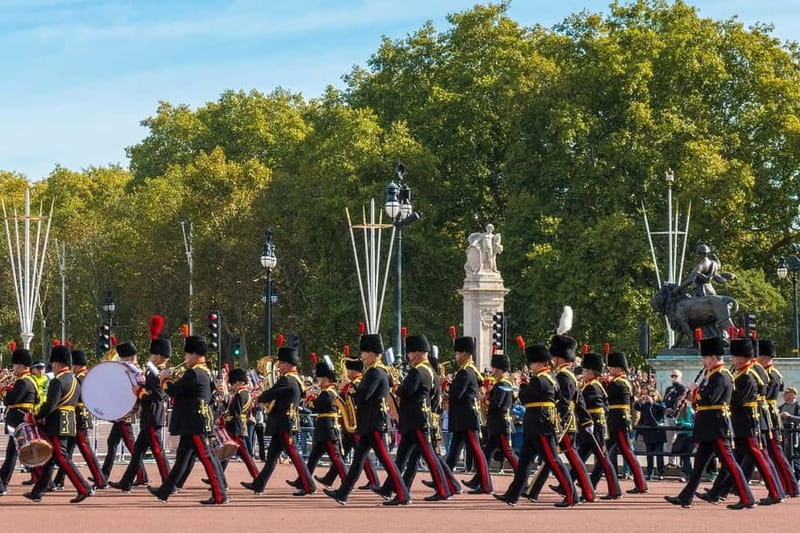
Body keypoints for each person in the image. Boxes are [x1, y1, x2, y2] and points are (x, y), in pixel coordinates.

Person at [665, 337, 755, 510]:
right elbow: (704, 399)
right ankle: (686, 497)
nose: (703, 361)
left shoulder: (721, 375)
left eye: (705, 357)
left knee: (730, 463)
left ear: (713, 357)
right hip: (708, 425)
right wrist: (694, 396)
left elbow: (709, 397)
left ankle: (747, 497)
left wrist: (694, 391)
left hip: (716, 425)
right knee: (698, 466)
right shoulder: (713, 375)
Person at [323, 333, 410, 506]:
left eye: (363, 353)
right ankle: (343, 493)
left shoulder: (376, 372)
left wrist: (348, 386)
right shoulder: (374, 371)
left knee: (385, 459)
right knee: (357, 461)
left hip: (374, 422)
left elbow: (363, 395)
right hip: (368, 422)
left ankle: (402, 494)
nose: (361, 356)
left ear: (371, 353)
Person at [698, 337, 785, 506]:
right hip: (744, 421)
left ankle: (775, 492)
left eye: (735, 356)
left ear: (742, 357)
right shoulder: (747, 373)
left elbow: (736, 401)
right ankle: (718, 492)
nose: (732, 359)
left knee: (759, 459)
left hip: (747, 422)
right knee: (734, 460)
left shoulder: (747, 376)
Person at [493, 343, 576, 507]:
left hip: (541, 425)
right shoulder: (550, 378)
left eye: (532, 363)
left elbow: (524, 397)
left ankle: (571, 494)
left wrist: (522, 386)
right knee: (524, 462)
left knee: (552, 460)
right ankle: (512, 495)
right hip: (535, 425)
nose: (530, 367)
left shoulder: (541, 380)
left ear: (539, 363)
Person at [149, 335, 227, 505]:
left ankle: (220, 494)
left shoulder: (195, 373)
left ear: (193, 354)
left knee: (206, 458)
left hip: (194, 422)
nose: (185, 358)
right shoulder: (203, 372)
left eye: (186, 355)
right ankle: (165, 491)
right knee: (181, 460)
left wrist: (164, 378)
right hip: (191, 421)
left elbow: (175, 391)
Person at [377, 335, 453, 502]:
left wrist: (396, 385)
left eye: (410, 353)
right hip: (417, 419)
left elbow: (405, 392)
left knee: (430, 459)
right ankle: (394, 490)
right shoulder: (430, 370)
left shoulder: (418, 371)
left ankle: (443, 490)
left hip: (416, 421)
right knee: (403, 459)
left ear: (418, 353)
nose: (409, 357)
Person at [526, 334, 594, 503]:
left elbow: (562, 402)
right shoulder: (569, 375)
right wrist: (586, 420)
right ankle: (532, 491)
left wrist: (558, 422)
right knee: (553, 456)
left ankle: (585, 492)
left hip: (562, 422)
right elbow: (579, 401)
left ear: (557, 357)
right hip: (567, 420)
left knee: (555, 457)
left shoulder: (563, 376)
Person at [241, 345, 315, 497]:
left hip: (284, 423)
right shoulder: (292, 379)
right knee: (271, 458)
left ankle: (309, 486)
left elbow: (271, 394)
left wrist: (259, 396)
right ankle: (258, 484)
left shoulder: (287, 380)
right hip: (282, 423)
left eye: (280, 363)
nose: (278, 366)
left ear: (288, 364)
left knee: (294, 456)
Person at [24, 346, 93, 503]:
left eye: (53, 364)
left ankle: (84, 488)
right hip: (70, 421)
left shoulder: (57, 381)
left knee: (62, 458)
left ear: (57, 363)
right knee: (51, 458)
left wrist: (34, 416)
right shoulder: (74, 380)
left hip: (58, 423)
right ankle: (37, 492)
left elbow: (50, 405)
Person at [110, 323, 172, 492]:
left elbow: (157, 394)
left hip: (153, 415)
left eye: (153, 354)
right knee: (137, 451)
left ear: (158, 356)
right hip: (148, 415)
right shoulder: (154, 371)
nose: (151, 356)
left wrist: (140, 392)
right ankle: (126, 481)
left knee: (158, 451)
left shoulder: (159, 372)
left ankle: (169, 483)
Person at [289, 356, 347, 488]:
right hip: (323, 429)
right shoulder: (326, 391)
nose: (317, 380)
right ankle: (303, 482)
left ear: (325, 378)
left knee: (336, 458)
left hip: (328, 428)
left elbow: (315, 406)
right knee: (313, 458)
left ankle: (347, 481)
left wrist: (310, 396)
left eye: (319, 378)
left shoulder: (329, 392)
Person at [54, 349, 107, 490]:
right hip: (77, 415)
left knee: (85, 449)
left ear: (76, 364)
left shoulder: (80, 378)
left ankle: (100, 479)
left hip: (78, 415)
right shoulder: (86, 376)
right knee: (67, 451)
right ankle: (59, 479)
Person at [446, 336, 492, 494]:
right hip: (462, 418)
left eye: (458, 353)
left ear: (465, 353)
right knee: (453, 452)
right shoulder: (467, 371)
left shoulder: (466, 372)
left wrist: (447, 386)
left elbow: (456, 393)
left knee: (476, 450)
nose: (456, 356)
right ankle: (444, 478)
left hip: (466, 417)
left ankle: (486, 485)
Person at [464, 351, 518, 488]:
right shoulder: (501, 383)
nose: (492, 370)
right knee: (487, 454)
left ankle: (522, 478)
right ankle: (481, 482)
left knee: (509, 454)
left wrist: (485, 398)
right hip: (496, 425)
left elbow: (496, 404)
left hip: (501, 424)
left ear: (499, 368)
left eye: (494, 368)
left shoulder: (503, 384)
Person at [101, 341, 148, 487]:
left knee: (132, 446)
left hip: (126, 413)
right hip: (121, 412)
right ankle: (103, 475)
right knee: (113, 442)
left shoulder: (135, 370)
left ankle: (141, 476)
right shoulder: (128, 369)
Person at [576, 352, 622, 500]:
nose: (582, 374)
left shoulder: (593, 387)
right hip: (590, 426)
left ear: (590, 372)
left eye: (584, 371)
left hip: (595, 426)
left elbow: (585, 404)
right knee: (580, 456)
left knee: (603, 459)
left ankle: (614, 490)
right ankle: (574, 484)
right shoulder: (590, 385)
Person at [758, 339, 800, 497]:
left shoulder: (772, 375)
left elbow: (765, 396)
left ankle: (790, 487)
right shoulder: (766, 373)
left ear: (764, 357)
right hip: (765, 413)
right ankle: (788, 487)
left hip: (769, 416)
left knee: (776, 454)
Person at [605, 352, 648, 494]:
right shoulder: (617, 382)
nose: (610, 369)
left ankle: (641, 484)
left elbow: (608, 395)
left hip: (619, 420)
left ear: (619, 368)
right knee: (605, 454)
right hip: (614, 419)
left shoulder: (620, 383)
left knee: (627, 452)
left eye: (612, 367)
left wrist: (605, 382)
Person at [0, 347, 39, 495]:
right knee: (16, 453)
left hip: (18, 421)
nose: (13, 368)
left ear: (21, 365)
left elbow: (10, 400)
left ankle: (2, 484)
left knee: (14, 454)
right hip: (21, 420)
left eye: (15, 365)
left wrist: (3, 389)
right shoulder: (30, 380)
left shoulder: (23, 381)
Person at [219, 368, 260, 481]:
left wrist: (222, 419)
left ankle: (258, 477)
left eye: (233, 382)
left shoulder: (241, 394)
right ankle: (218, 475)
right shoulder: (243, 393)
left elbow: (235, 413)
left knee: (246, 457)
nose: (232, 385)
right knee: (226, 453)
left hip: (235, 428)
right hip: (237, 427)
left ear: (239, 381)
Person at [634, 388, 667, 481]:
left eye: (653, 395)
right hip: (648, 432)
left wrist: (653, 402)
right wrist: (639, 400)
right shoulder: (646, 405)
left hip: (658, 432)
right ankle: (650, 473)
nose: (651, 397)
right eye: (650, 395)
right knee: (649, 454)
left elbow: (662, 409)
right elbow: (637, 407)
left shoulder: (660, 403)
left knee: (659, 454)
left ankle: (661, 472)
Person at [663, 369, 687, 467]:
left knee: (679, 439)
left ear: (680, 377)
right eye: (672, 376)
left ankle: (679, 462)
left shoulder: (682, 388)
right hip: (669, 416)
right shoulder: (669, 389)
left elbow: (681, 401)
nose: (673, 378)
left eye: (675, 376)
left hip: (678, 416)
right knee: (670, 440)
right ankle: (671, 461)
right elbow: (664, 400)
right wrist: (665, 409)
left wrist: (674, 409)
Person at [672, 396, 695, 483]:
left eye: (681, 402)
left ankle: (685, 474)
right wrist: (676, 422)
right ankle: (688, 474)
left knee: (686, 455)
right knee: (684, 456)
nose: (679, 404)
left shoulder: (689, 411)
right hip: (681, 436)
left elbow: (692, 423)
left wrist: (683, 424)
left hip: (689, 436)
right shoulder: (678, 412)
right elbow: (676, 422)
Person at [780, 387, 800, 478]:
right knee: (785, 456)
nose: (784, 395)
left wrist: (789, 417)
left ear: (792, 395)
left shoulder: (798, 406)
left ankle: (797, 476)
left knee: (795, 456)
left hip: (795, 435)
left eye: (786, 393)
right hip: (784, 435)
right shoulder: (782, 406)